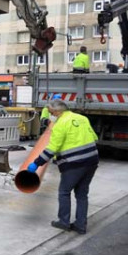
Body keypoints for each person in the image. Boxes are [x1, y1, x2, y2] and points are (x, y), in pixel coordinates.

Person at [27, 99, 99, 234]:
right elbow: (94, 137)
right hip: (92, 161)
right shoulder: (82, 118)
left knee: (64, 192)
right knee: (82, 194)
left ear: (56, 111)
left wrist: (36, 164)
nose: (50, 115)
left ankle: (64, 222)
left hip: (74, 164)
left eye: (50, 112)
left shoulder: (60, 124)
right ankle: (80, 225)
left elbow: (52, 148)